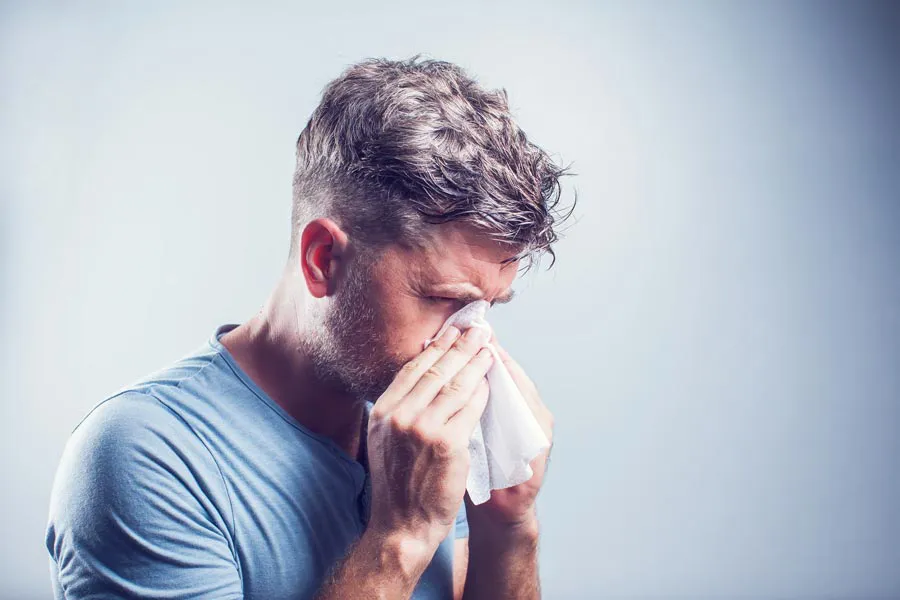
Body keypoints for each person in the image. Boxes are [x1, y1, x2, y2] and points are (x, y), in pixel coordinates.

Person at [46, 55, 572, 599]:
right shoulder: (145, 457)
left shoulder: (414, 431)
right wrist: (402, 537)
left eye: (488, 307)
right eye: (444, 300)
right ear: (323, 259)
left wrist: (507, 528)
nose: (469, 342)